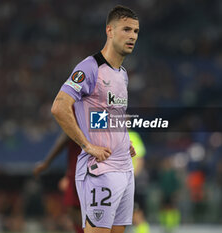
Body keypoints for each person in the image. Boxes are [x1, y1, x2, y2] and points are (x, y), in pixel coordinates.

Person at [51, 5, 139, 233]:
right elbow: (59, 107)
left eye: (136, 32)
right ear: (109, 31)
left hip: (124, 169)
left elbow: (102, 113)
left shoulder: (122, 74)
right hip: (100, 170)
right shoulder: (90, 68)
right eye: (126, 29)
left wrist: (122, 139)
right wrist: (87, 145)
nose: (132, 36)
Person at [33, 133, 83, 233]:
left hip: (80, 169)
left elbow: (66, 136)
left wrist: (46, 163)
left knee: (73, 208)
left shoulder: (81, 119)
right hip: (87, 167)